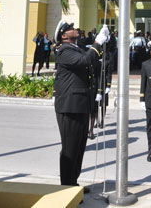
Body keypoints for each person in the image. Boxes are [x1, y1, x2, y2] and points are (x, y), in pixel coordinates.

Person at [53, 20, 109, 188]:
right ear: (64, 36)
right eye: (70, 29)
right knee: (70, 149)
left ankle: (73, 183)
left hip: (80, 104)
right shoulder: (64, 51)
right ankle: (66, 187)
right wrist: (98, 42)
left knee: (79, 148)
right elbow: (84, 61)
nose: (75, 29)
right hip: (70, 106)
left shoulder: (76, 49)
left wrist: (101, 40)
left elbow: (90, 57)